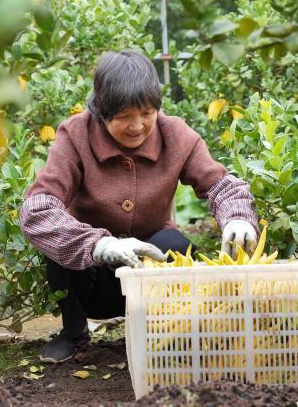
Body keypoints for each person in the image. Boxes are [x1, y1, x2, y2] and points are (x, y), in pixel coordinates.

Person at [18, 49, 259, 362]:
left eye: (147, 113)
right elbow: (37, 208)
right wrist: (97, 244)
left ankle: (167, 329)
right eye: (123, 117)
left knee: (173, 243)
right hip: (95, 276)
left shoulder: (177, 136)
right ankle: (73, 332)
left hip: (151, 266)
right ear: (101, 112)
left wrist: (237, 219)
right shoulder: (75, 135)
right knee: (59, 252)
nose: (137, 126)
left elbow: (222, 185)